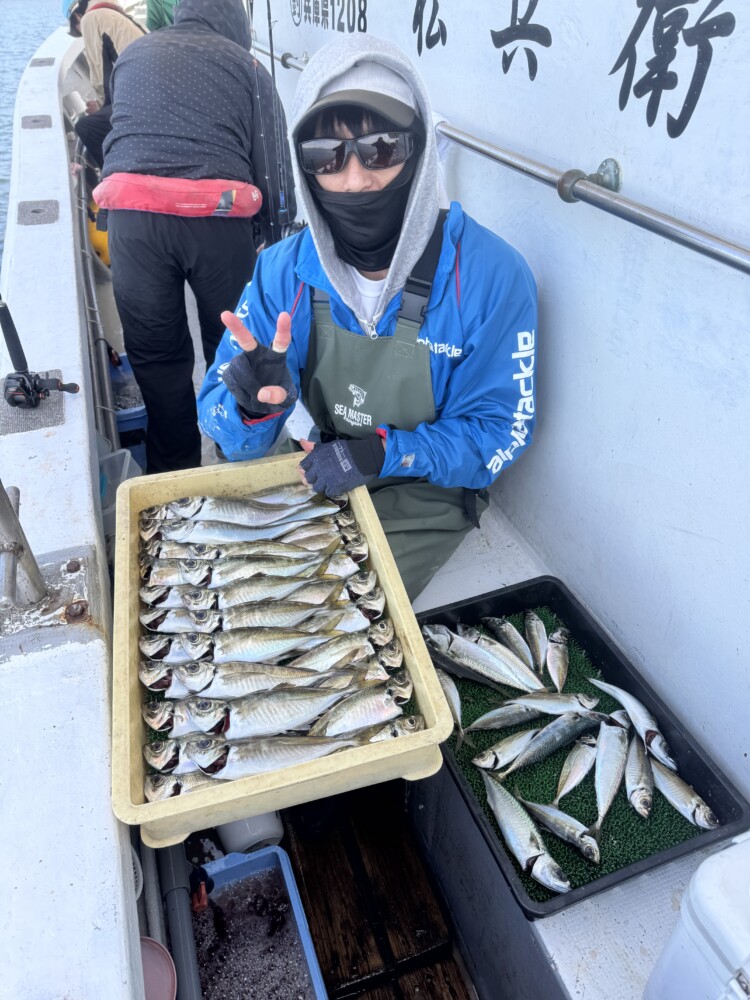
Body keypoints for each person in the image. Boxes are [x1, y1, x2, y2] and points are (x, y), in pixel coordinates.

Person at [198, 33, 537, 601]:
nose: (354, 180)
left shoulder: (492, 276)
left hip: (421, 488)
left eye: (381, 148)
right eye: (325, 156)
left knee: (336, 610)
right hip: (308, 465)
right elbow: (221, 427)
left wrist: (384, 452)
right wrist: (249, 411)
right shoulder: (282, 271)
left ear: (421, 148)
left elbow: (500, 431)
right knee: (240, 593)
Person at [93, 0, 296, 473]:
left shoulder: (134, 54)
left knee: (158, 356)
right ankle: (234, 456)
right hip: (218, 224)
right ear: (237, 24)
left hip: (131, 222)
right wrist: (275, 244)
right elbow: (276, 173)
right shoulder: (248, 67)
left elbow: (113, 127)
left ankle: (174, 473)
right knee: (234, 345)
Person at [65, 0, 145, 169]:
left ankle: (116, 176)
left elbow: (100, 76)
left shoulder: (91, 18)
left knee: (87, 127)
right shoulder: (118, 15)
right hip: (152, 95)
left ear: (77, 15)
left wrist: (101, 106)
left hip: (142, 105)